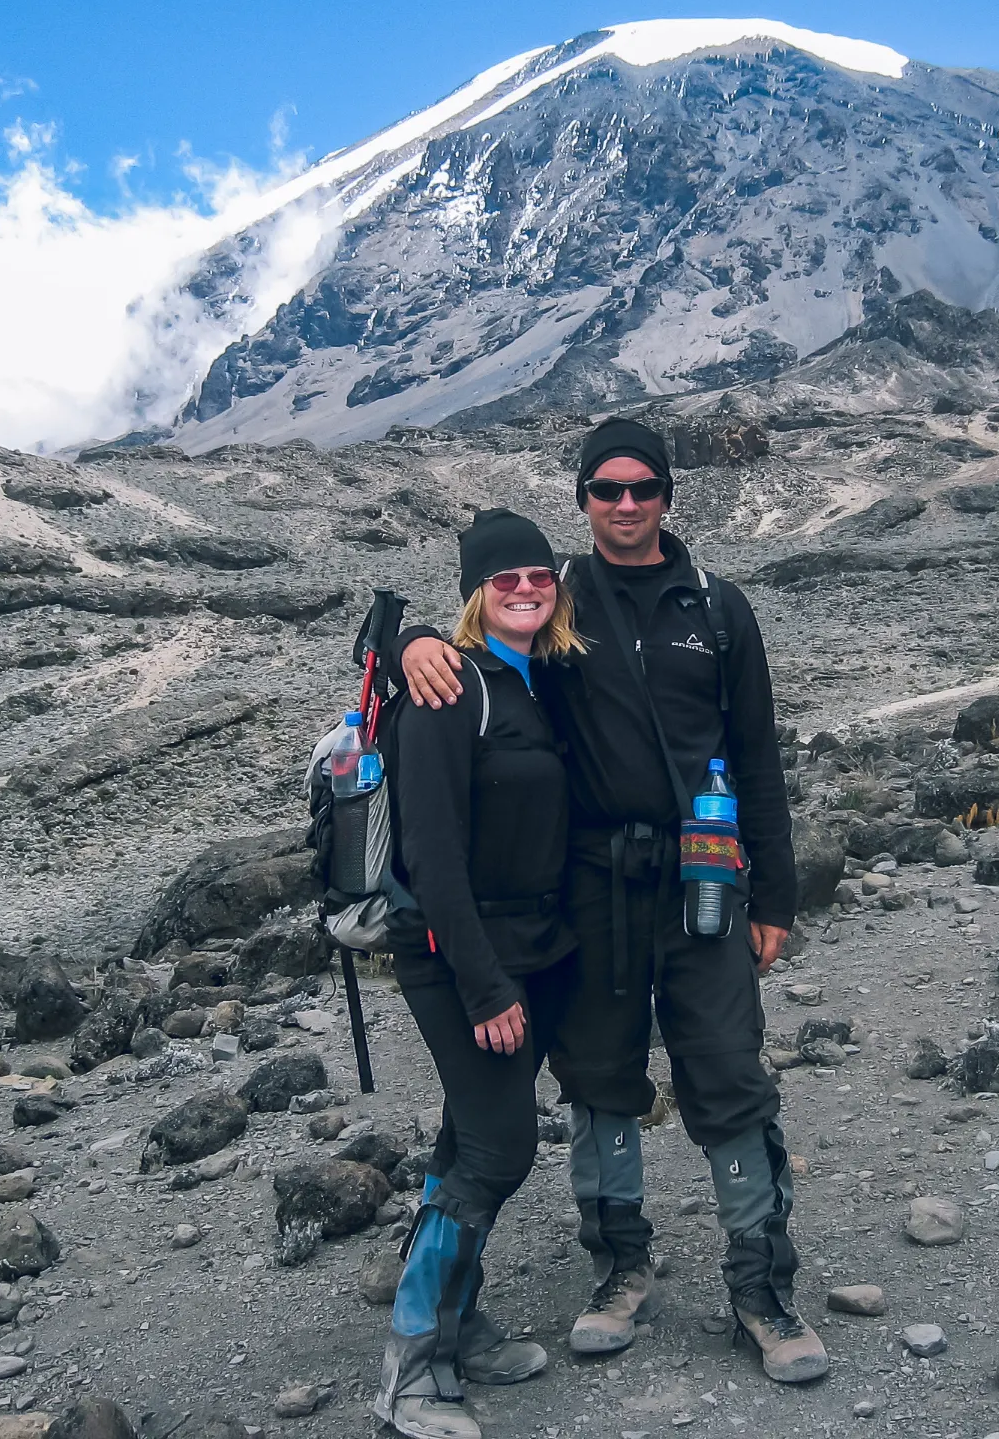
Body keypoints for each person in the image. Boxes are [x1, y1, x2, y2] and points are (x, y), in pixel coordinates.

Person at [401, 420, 828, 1385]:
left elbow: (758, 756)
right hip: (589, 887)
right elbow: (472, 634)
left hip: (706, 880)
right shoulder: (550, 601)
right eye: (606, 489)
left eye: (643, 488)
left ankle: (761, 1290)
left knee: (727, 1073)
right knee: (597, 1077)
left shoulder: (719, 609)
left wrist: (779, 894)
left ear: (670, 495)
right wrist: (405, 639)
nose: (625, 504)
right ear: (583, 497)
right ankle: (618, 1266)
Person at [373, 507, 587, 1439]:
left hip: (534, 948)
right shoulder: (448, 691)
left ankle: (454, 1326)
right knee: (500, 1148)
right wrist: (485, 985)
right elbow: (431, 853)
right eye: (505, 581)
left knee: (469, 1139)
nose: (527, 591)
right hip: (461, 956)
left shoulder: (540, 681)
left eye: (540, 576)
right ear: (474, 594)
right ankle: (411, 1375)